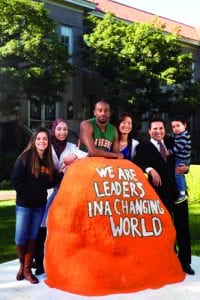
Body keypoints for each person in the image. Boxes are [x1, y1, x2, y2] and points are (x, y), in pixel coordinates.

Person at [133, 117, 194, 275]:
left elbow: (184, 155)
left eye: (160, 128)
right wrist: (149, 169)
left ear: (164, 130)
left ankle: (185, 262)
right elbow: (138, 162)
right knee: (165, 228)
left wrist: (186, 167)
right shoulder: (144, 146)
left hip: (178, 192)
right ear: (149, 131)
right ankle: (169, 259)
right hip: (160, 194)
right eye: (154, 129)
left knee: (183, 227)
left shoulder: (173, 142)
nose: (158, 131)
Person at [34, 119, 87, 275]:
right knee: (41, 224)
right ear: (53, 130)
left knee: (60, 224)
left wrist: (75, 158)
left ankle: (59, 259)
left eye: (65, 129)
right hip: (46, 189)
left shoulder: (71, 147)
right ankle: (39, 261)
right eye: (59, 129)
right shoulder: (47, 146)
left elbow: (87, 155)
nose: (62, 132)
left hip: (65, 190)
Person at [11, 127, 64, 284]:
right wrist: (27, 195)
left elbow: (49, 183)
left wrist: (61, 173)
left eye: (45, 139)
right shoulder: (25, 157)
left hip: (39, 206)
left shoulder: (47, 161)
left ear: (48, 143)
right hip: (24, 205)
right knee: (21, 236)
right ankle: (22, 265)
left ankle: (27, 270)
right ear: (34, 141)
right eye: (39, 138)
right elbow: (16, 180)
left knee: (33, 237)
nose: (42, 141)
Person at [169, 115, 191, 204]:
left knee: (178, 174)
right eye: (173, 127)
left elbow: (178, 147)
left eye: (178, 126)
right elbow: (174, 138)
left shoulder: (183, 136)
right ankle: (184, 188)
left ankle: (182, 193)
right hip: (183, 158)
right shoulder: (180, 135)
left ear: (185, 125)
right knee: (180, 175)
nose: (176, 128)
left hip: (181, 159)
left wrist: (169, 152)